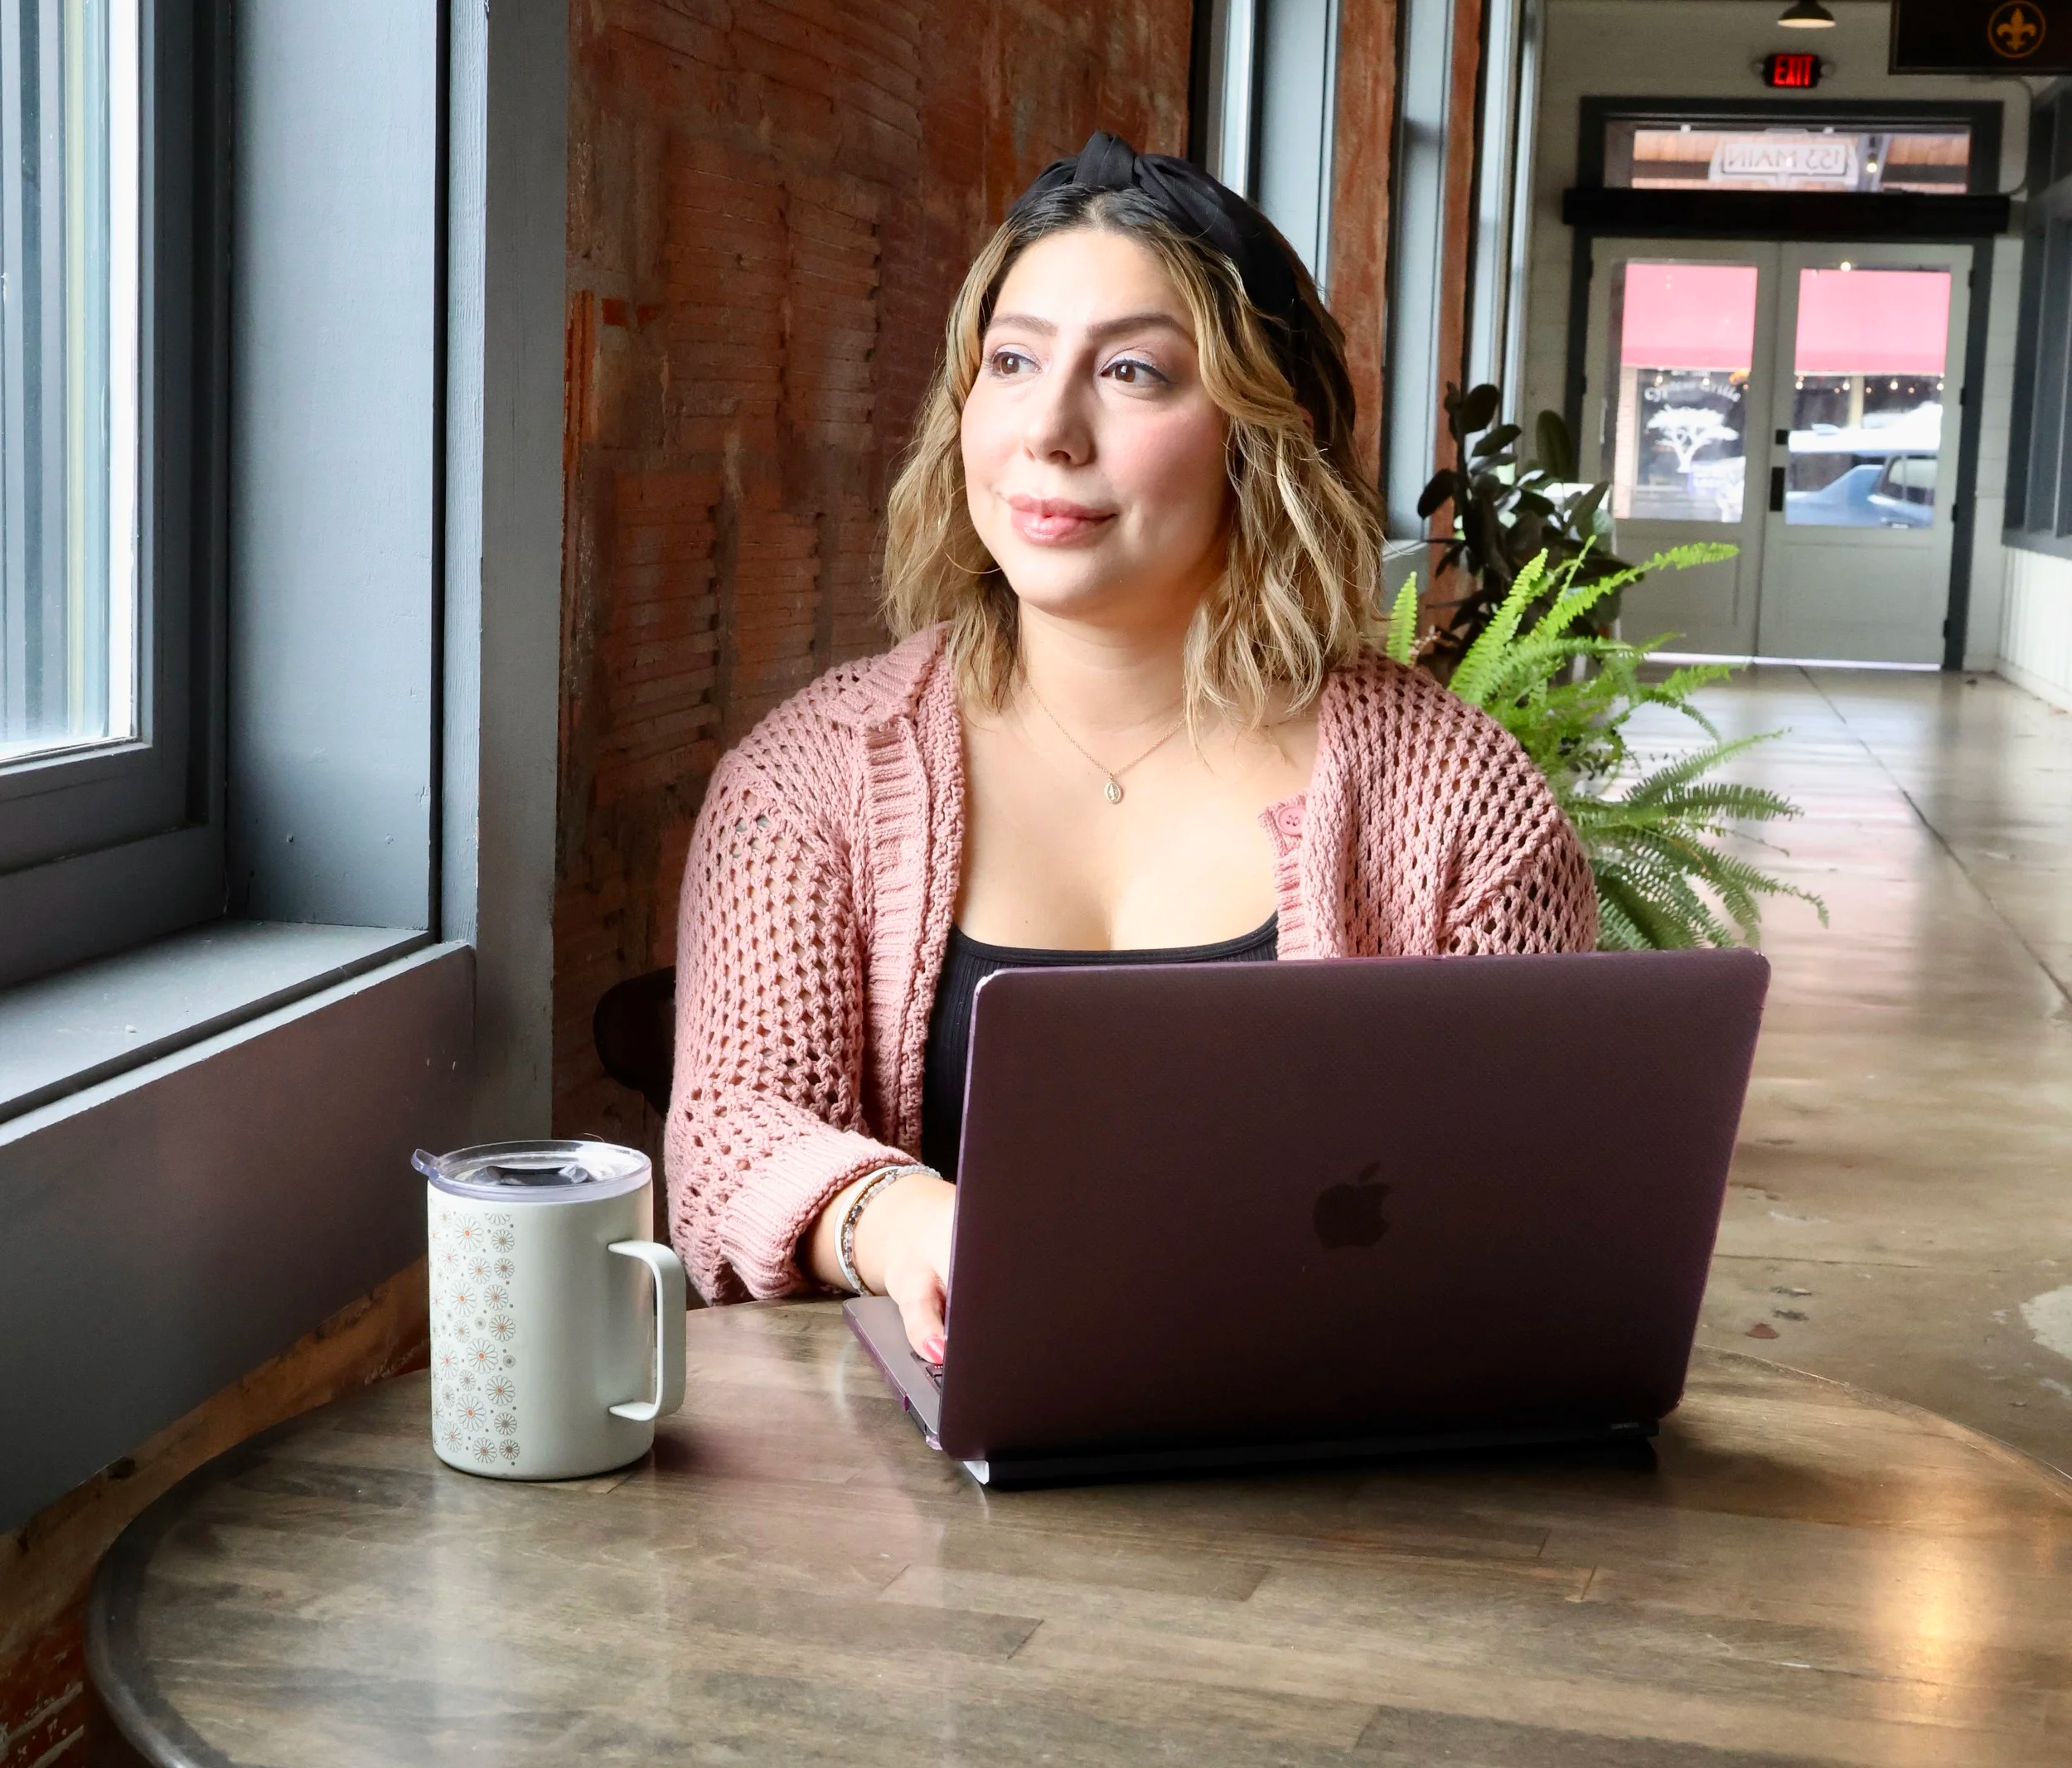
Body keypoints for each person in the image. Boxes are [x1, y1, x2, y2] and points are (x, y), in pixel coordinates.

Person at [665, 133, 1598, 1359]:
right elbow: (729, 1135)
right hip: (907, 1492)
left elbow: (1534, 1187)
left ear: (1262, 430)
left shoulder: (1460, 800)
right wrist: (889, 1220)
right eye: (1012, 362)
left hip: (1340, 1468)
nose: (1050, 430)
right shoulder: (810, 782)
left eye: (1135, 374)